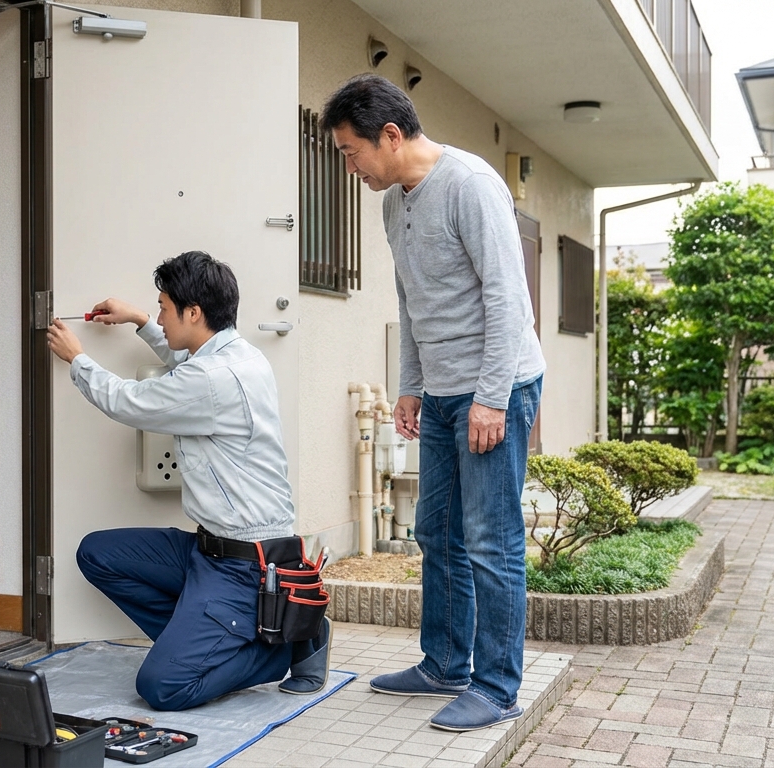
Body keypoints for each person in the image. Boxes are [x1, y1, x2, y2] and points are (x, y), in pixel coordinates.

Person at [320, 74, 545, 732]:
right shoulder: (395, 203)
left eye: (350, 151)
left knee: (491, 541)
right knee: (435, 532)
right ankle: (444, 663)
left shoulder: (471, 185)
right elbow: (412, 301)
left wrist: (491, 398)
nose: (349, 164)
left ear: (390, 136)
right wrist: (412, 385)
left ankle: (498, 686)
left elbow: (509, 299)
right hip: (445, 393)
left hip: (493, 390)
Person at [45, 250, 330, 711]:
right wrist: (139, 319)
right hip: (209, 552)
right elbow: (186, 365)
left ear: (193, 313)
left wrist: (78, 359)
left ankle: (273, 647)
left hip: (246, 568)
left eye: (163, 306)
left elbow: (129, 402)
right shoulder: (235, 354)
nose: (159, 313)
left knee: (163, 687)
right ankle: (215, 636)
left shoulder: (215, 376)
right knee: (98, 553)